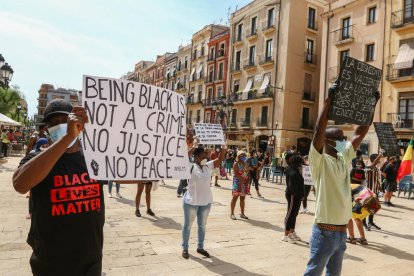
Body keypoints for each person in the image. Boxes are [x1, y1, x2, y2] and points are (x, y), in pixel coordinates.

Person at [12, 99, 105, 276]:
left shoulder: (93, 158)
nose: (62, 125)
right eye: (54, 123)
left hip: (90, 263)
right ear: (46, 129)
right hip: (50, 264)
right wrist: (67, 137)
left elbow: (128, 174)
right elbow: (20, 184)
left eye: (65, 120)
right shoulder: (37, 157)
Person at [304, 83, 378, 276]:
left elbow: (360, 133)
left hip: (341, 232)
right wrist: (328, 101)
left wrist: (372, 105)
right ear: (327, 142)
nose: (344, 141)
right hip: (324, 232)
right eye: (339, 138)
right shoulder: (318, 161)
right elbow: (319, 131)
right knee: (313, 273)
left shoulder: (344, 156)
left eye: (343, 137)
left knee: (334, 274)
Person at [181, 137, 226, 259]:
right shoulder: (190, 166)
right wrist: (194, 147)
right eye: (202, 155)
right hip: (191, 201)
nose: (205, 157)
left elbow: (220, 159)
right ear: (196, 157)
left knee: (202, 226)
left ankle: (200, 247)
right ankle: (185, 248)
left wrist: (223, 147)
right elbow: (183, 158)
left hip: (206, 202)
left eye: (205, 155)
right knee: (187, 226)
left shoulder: (207, 166)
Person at [282, 154, 304, 243]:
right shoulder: (292, 172)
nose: (301, 165)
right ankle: (286, 235)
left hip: (298, 196)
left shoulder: (296, 170)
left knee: (295, 214)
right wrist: (299, 195)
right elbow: (292, 187)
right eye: (300, 163)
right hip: (292, 195)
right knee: (290, 214)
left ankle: (292, 232)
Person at [363, 153, 383, 230]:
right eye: (377, 158)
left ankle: (370, 222)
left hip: (375, 191)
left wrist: (380, 188)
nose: (379, 160)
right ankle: (364, 223)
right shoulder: (368, 166)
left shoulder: (377, 168)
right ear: (373, 159)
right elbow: (372, 166)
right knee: (365, 207)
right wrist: (380, 154)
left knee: (373, 207)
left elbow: (377, 179)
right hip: (368, 191)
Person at [230, 150, 250, 220]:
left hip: (244, 183)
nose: (243, 157)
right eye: (242, 155)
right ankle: (232, 213)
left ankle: (242, 213)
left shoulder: (246, 164)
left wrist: (246, 181)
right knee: (235, 198)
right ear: (238, 156)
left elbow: (247, 172)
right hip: (237, 183)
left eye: (244, 155)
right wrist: (241, 181)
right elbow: (236, 174)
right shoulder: (236, 163)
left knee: (242, 198)